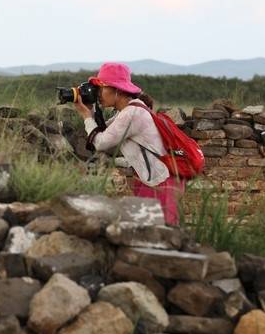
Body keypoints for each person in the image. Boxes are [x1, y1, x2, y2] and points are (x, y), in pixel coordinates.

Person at [73, 62, 185, 225]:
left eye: (102, 88)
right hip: (152, 180)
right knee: (146, 236)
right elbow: (104, 130)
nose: (99, 94)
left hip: (160, 183)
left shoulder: (132, 114)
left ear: (116, 90)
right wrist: (91, 110)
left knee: (156, 237)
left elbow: (101, 142)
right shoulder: (129, 110)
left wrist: (85, 116)